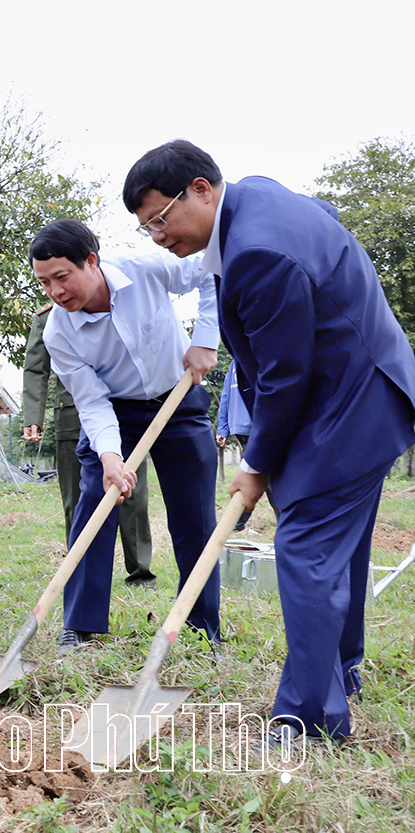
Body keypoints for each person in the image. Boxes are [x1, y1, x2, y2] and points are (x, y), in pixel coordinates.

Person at [123, 140, 415, 748]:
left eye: (160, 219)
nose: (157, 236)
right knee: (340, 547)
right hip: (365, 391)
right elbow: (326, 217)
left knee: (307, 548)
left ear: (200, 189)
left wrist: (254, 465)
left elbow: (285, 376)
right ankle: (342, 673)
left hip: (347, 406)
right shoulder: (254, 198)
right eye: (145, 227)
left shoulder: (257, 253)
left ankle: (307, 719)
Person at [28, 219, 221, 655]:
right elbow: (92, 403)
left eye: (62, 277)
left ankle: (201, 627)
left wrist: (206, 339)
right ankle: (79, 625)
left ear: (91, 262)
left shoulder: (144, 267)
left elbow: (211, 269)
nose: (56, 292)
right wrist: (111, 457)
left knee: (196, 518)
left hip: (178, 398)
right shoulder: (59, 332)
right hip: (114, 411)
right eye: (45, 284)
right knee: (93, 504)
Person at [23, 304, 155, 585]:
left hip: (126, 414)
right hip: (73, 416)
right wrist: (32, 417)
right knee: (78, 501)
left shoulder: (122, 305)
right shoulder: (48, 318)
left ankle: (141, 571)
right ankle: (80, 569)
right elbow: (36, 369)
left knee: (132, 492)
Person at [216, 361, 255, 532]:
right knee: (256, 473)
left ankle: (236, 521)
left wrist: (223, 428)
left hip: (239, 425)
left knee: (253, 470)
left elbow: (225, 396)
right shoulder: (253, 356)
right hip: (254, 424)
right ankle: (236, 521)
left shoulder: (234, 363)